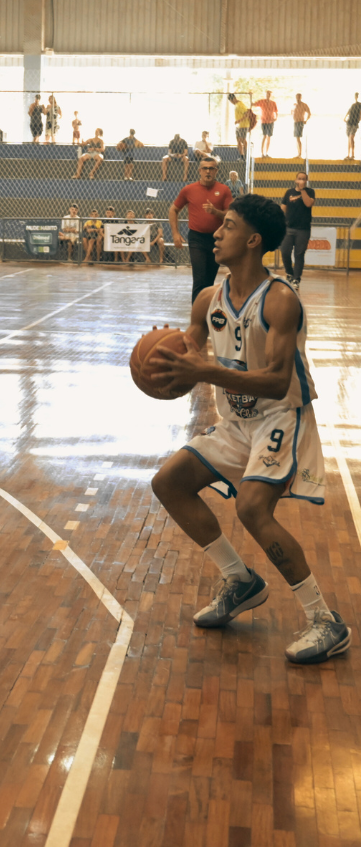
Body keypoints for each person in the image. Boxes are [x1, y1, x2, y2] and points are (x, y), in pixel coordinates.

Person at [149, 193, 348, 666]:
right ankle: (239, 580)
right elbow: (186, 363)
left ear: (254, 241)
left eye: (229, 226)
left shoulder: (281, 301)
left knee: (253, 507)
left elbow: (278, 381)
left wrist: (206, 370)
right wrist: (158, 369)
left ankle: (326, 621)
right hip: (237, 422)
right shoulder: (207, 299)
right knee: (169, 483)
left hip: (283, 417)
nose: (216, 232)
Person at [169, 156, 234, 302]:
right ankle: (197, 317)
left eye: (211, 168)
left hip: (216, 239)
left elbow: (230, 215)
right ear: (199, 170)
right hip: (196, 238)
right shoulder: (189, 189)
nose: (208, 171)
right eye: (205, 168)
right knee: (199, 278)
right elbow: (173, 210)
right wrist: (175, 234)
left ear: (216, 171)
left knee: (209, 280)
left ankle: (206, 312)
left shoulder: (224, 190)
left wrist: (216, 212)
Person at [280, 170, 316, 291]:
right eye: (299, 178)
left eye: (303, 179)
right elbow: (283, 207)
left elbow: (308, 204)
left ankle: (296, 279)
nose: (301, 180)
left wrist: (302, 190)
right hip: (289, 227)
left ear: (306, 181)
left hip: (303, 229)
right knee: (285, 251)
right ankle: (289, 274)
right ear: (295, 180)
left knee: (299, 255)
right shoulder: (289, 192)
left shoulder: (310, 192)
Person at [228, 93, 255, 158]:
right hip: (238, 126)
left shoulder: (240, 105)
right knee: (238, 140)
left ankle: (247, 154)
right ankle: (242, 156)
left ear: (234, 99)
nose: (232, 103)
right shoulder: (236, 105)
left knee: (243, 140)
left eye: (231, 101)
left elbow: (247, 113)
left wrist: (239, 120)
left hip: (243, 125)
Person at [254, 90, 277, 157]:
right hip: (264, 121)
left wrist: (275, 118)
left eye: (269, 94)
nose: (268, 95)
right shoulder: (262, 101)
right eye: (267, 94)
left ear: (270, 95)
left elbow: (276, 111)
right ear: (265, 95)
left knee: (269, 137)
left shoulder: (273, 103)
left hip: (271, 121)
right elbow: (254, 104)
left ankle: (266, 152)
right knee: (264, 136)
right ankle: (262, 153)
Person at [291, 93, 311, 159]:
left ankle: (299, 154)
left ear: (301, 97)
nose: (298, 98)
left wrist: (306, 120)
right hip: (295, 122)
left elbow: (309, 113)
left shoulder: (304, 105)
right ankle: (298, 153)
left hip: (300, 122)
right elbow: (292, 112)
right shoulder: (294, 105)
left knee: (298, 137)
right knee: (297, 138)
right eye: (297, 97)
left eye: (299, 97)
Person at [344, 92, 360, 160]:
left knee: (351, 137)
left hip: (354, 123)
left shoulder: (359, 105)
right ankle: (349, 154)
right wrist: (345, 118)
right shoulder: (353, 105)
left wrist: (358, 120)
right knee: (349, 138)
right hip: (350, 122)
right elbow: (349, 111)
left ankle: (352, 155)